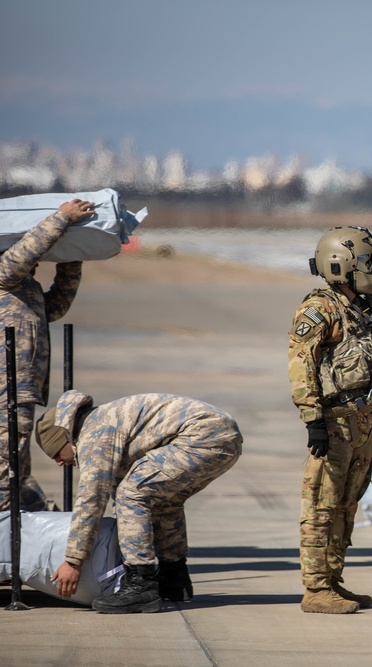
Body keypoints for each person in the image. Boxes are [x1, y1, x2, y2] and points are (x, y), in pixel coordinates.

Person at [289, 226, 372, 615]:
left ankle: (334, 581)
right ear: (343, 265)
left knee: (347, 503)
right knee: (321, 504)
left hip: (363, 420)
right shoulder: (320, 309)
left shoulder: (367, 308)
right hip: (335, 422)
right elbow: (300, 363)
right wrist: (313, 420)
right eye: (368, 262)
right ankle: (315, 588)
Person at [39, 390, 242, 613]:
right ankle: (174, 578)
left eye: (56, 453)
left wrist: (73, 561)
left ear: (65, 438)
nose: (59, 462)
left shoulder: (94, 433)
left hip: (202, 436)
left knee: (131, 494)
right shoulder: (101, 421)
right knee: (164, 501)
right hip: (221, 436)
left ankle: (140, 585)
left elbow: (91, 499)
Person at [1, 199, 95, 512]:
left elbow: (54, 306)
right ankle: (7, 542)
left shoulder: (21, 289)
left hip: (20, 389)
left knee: (18, 469)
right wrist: (62, 219)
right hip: (5, 390)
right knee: (6, 468)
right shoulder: (4, 275)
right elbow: (21, 257)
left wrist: (72, 259)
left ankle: (41, 525)